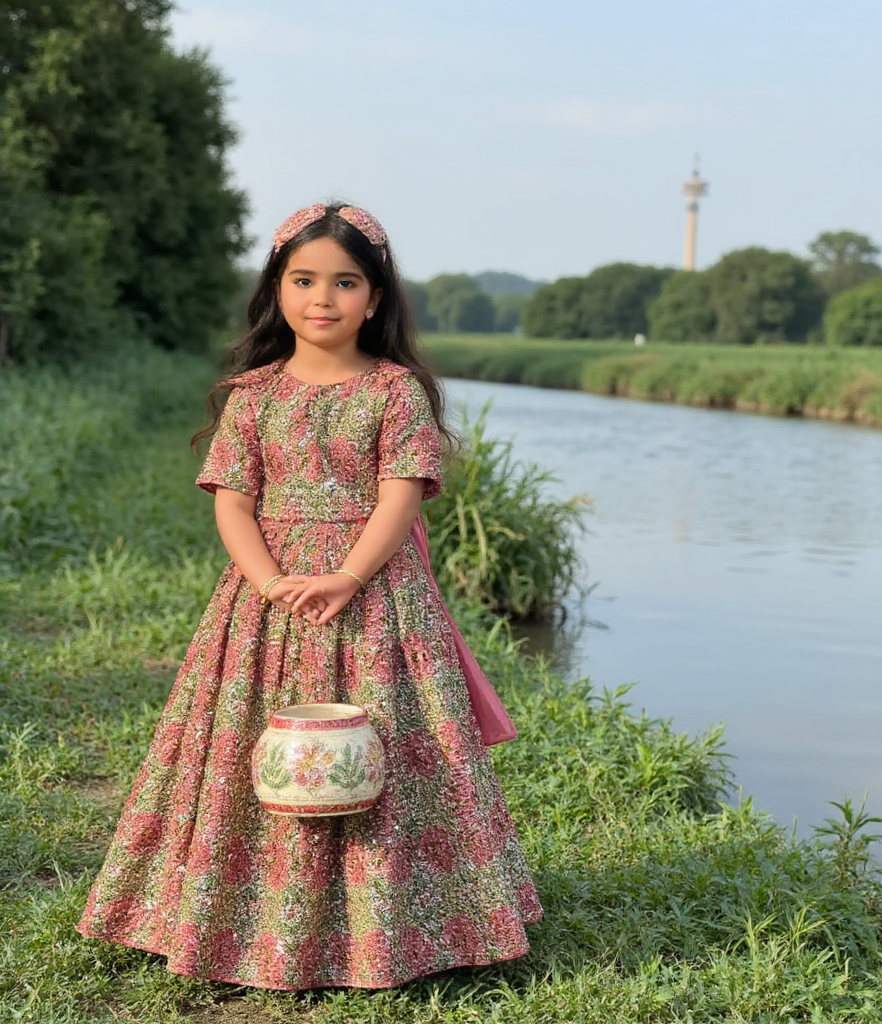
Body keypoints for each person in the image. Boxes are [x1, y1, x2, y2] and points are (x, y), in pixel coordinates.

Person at [77, 202, 543, 990]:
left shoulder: (396, 393)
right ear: (277, 289)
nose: (322, 298)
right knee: (243, 750)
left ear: (377, 297)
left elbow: (400, 495)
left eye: (345, 282)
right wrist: (267, 582)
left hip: (375, 601)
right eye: (303, 279)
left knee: (387, 747)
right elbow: (232, 498)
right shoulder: (253, 394)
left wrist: (348, 575)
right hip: (267, 599)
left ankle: (397, 928)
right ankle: (231, 920)